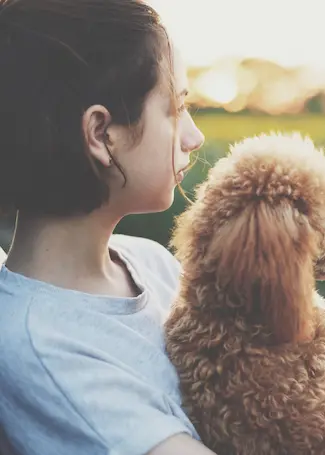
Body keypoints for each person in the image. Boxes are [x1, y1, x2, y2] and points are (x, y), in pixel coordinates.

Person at [0, 0, 214, 453]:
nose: (194, 138)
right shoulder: (39, 345)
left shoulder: (151, 262)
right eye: (175, 109)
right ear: (101, 134)